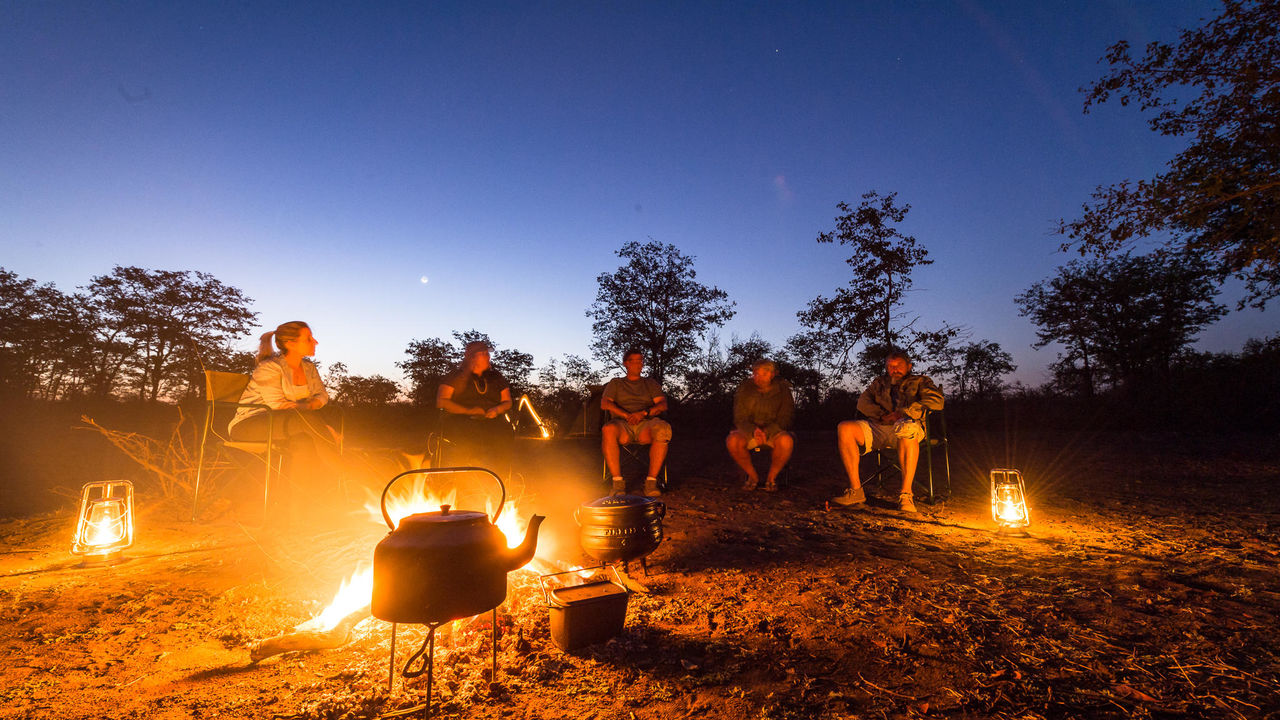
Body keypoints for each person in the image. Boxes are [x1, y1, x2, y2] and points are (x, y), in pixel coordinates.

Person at [229, 321, 343, 511]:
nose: (315, 342)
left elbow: (322, 396)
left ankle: (295, 511)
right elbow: (276, 406)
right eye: (308, 338)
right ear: (290, 343)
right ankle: (347, 472)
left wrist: (310, 409)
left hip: (291, 425)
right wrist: (320, 424)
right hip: (251, 425)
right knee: (307, 421)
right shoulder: (270, 367)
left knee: (304, 444)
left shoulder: (309, 369)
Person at [833, 350, 943, 513]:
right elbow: (862, 402)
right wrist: (882, 415)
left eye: (899, 365)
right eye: (890, 366)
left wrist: (904, 413)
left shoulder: (921, 381)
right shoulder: (879, 383)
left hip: (908, 426)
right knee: (845, 427)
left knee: (906, 429)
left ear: (909, 366)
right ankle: (856, 491)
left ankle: (906, 495)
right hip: (879, 426)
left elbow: (936, 401)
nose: (894, 369)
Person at [601, 349, 671, 497]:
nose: (639, 364)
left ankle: (651, 482)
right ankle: (618, 483)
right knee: (608, 429)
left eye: (641, 361)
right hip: (622, 426)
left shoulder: (650, 383)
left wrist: (643, 413)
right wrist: (626, 415)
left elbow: (662, 405)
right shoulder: (616, 383)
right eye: (635, 361)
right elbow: (605, 403)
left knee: (663, 429)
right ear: (626, 363)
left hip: (646, 425)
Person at [436, 341, 513, 470]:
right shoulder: (455, 376)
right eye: (482, 353)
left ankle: (499, 477)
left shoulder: (496, 377)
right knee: (466, 437)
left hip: (492, 422)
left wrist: (496, 409)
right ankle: (465, 476)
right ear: (471, 357)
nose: (488, 356)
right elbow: (442, 401)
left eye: (487, 353)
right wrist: (469, 411)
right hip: (461, 422)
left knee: (504, 434)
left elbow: (507, 401)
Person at [726, 359, 795, 492]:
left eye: (764, 374)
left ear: (773, 374)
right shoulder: (745, 388)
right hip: (751, 431)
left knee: (786, 441)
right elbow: (740, 417)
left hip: (775, 431)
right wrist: (753, 431)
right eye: (756, 373)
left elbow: (786, 417)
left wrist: (767, 431)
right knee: (733, 441)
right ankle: (752, 477)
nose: (759, 377)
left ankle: (771, 478)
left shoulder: (783, 390)